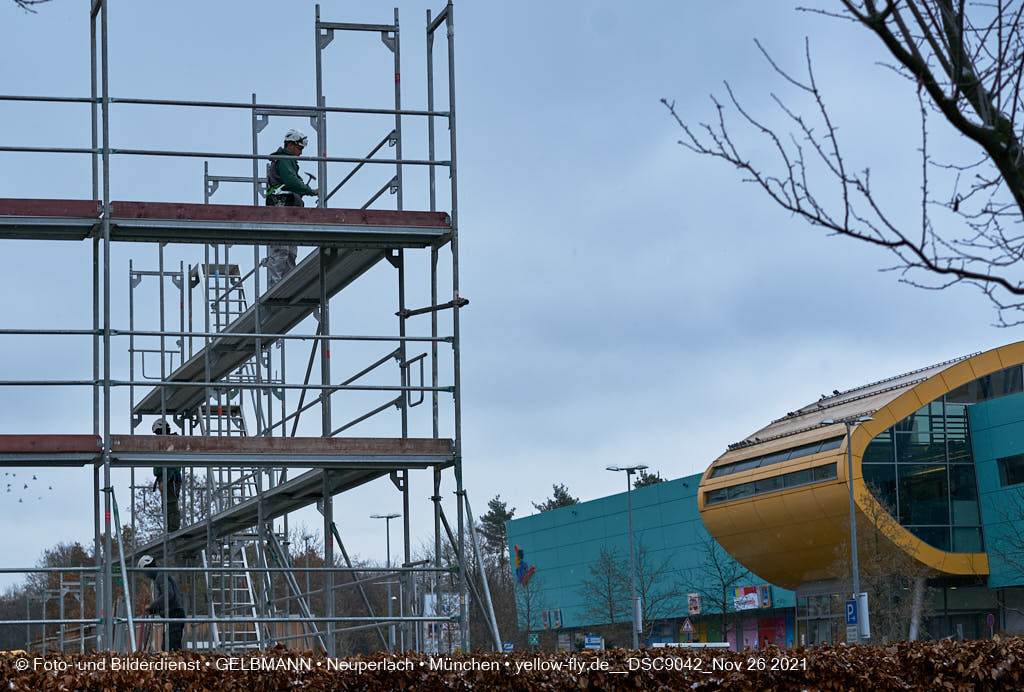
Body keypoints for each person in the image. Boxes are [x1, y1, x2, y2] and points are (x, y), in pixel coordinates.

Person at [265, 129, 319, 287]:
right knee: (281, 249)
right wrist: (309, 191)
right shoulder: (284, 160)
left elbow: (292, 182)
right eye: (300, 148)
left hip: (289, 207)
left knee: (290, 251)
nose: (301, 153)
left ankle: (287, 285)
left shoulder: (289, 162)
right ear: (291, 145)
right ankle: (275, 286)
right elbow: (291, 182)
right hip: (281, 206)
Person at [138, 555, 186, 651]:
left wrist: (153, 606)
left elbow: (168, 594)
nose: (146, 576)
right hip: (173, 614)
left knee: (172, 648)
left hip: (174, 614)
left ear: (148, 568)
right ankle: (174, 664)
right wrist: (156, 609)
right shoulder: (161, 576)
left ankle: (176, 665)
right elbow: (167, 598)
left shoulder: (161, 576)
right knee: (168, 647)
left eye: (145, 572)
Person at [151, 419, 182, 532]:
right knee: (168, 503)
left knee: (171, 502)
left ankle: (173, 528)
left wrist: (166, 478)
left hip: (170, 477)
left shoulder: (171, 442)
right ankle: (170, 527)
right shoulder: (166, 443)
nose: (156, 436)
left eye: (157, 433)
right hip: (166, 477)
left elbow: (173, 464)